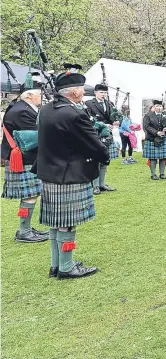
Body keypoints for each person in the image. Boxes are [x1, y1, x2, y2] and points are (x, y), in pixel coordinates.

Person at [34, 70, 109, 279]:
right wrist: (105, 153)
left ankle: (56, 265)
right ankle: (66, 268)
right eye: (82, 90)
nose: (83, 94)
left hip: (49, 171)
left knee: (56, 222)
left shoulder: (46, 109)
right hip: (70, 173)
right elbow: (92, 143)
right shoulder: (74, 113)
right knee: (67, 222)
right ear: (74, 92)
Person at [1, 87, 48, 243]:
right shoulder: (22, 110)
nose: (41, 97)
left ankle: (25, 229)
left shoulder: (21, 107)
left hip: (24, 157)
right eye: (39, 94)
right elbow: (37, 133)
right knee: (29, 195)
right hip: (25, 158)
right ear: (29, 95)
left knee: (30, 195)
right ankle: (24, 232)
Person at [84, 82, 117, 195]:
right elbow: (87, 120)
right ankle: (95, 186)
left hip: (108, 134)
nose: (103, 94)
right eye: (101, 92)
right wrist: (103, 125)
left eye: (105, 92)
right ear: (95, 93)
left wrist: (116, 122)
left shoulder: (109, 103)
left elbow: (113, 117)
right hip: (95, 134)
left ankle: (102, 184)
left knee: (104, 160)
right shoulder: (88, 104)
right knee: (96, 161)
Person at [142, 101, 166, 180]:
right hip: (152, 138)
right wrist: (156, 132)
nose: (159, 108)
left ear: (162, 107)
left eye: (160, 106)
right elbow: (147, 126)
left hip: (163, 138)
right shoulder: (148, 116)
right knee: (153, 158)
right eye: (157, 106)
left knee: (163, 157)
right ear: (154, 107)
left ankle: (162, 174)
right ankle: (153, 174)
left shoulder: (165, 115)